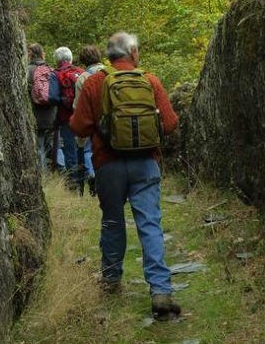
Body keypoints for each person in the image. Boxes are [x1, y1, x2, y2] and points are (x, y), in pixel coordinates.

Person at [70, 31, 182, 321]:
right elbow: (169, 124)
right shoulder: (150, 80)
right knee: (150, 224)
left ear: (109, 55)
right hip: (146, 163)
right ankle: (160, 291)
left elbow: (79, 127)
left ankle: (111, 279)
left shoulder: (95, 83)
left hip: (108, 164)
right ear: (133, 53)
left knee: (112, 221)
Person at [72, 44, 104, 195]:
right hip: (110, 121)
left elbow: (77, 105)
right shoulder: (110, 73)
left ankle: (92, 174)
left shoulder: (83, 78)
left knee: (87, 149)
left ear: (83, 60)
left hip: (91, 121)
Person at [52, 46, 84, 187]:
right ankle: (87, 176)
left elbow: (52, 97)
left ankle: (73, 182)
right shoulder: (81, 73)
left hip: (65, 118)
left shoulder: (55, 74)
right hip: (83, 117)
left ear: (57, 60)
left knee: (69, 150)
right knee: (86, 149)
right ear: (70, 58)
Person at [27, 43, 59, 170]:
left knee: (39, 146)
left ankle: (43, 175)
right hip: (52, 113)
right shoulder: (50, 70)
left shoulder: (28, 70)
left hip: (36, 114)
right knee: (51, 146)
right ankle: (58, 174)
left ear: (30, 54)